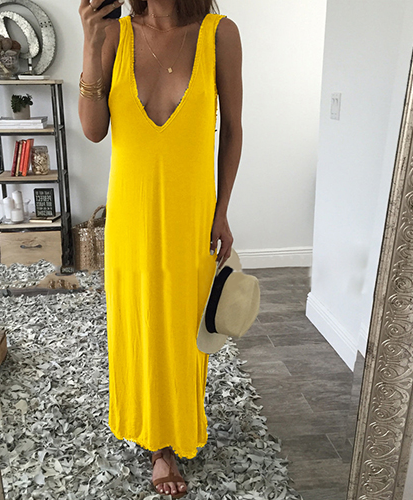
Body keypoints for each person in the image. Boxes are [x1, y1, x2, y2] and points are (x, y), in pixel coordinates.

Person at [78, 0, 242, 496]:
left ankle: (175, 427)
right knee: (139, 323)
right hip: (131, 217)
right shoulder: (115, 36)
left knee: (183, 328)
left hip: (191, 215)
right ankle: (158, 445)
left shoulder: (219, 34)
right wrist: (90, 41)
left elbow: (233, 129)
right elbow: (93, 130)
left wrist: (222, 211)